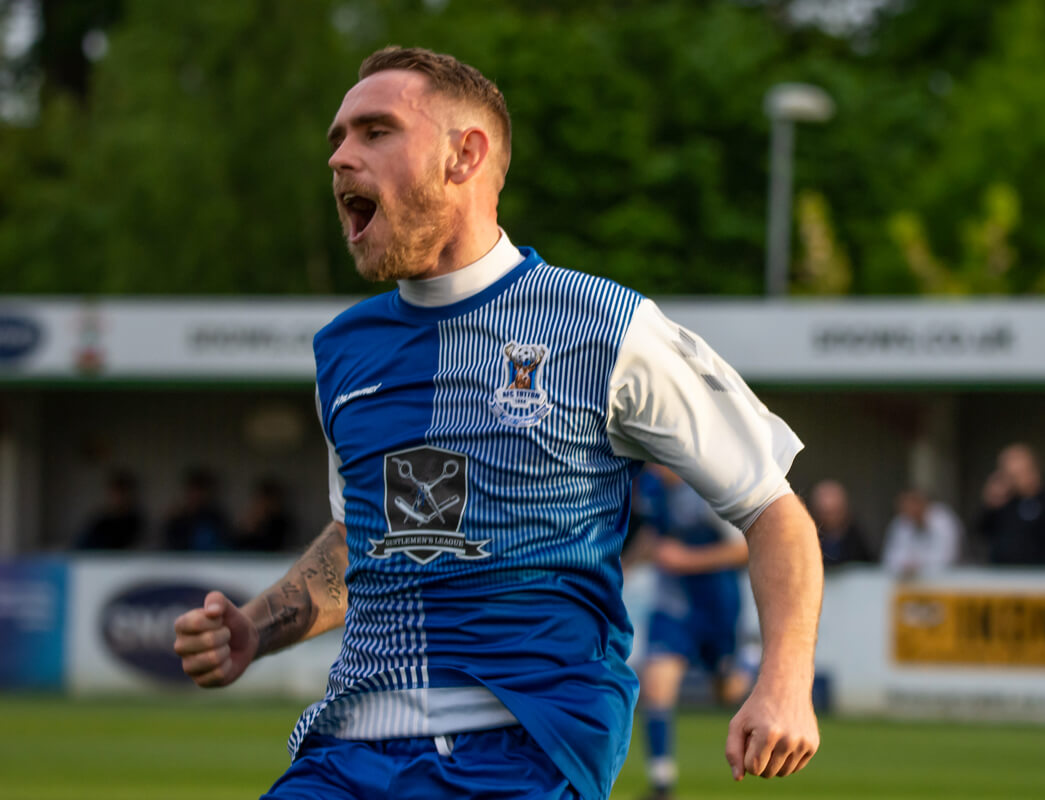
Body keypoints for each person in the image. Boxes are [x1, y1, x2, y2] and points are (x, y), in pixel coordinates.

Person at [172, 47, 822, 800]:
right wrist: (257, 628)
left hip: (521, 757)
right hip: (343, 758)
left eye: (375, 132)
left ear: (465, 155)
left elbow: (774, 510)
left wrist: (784, 680)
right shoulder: (343, 352)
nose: (342, 158)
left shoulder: (609, 328)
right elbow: (366, 537)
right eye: (338, 140)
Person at [633, 464, 752, 800]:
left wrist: (687, 559)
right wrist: (622, 568)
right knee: (655, 684)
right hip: (672, 606)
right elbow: (653, 539)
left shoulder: (708, 491)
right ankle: (661, 784)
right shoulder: (651, 489)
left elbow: (742, 549)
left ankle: (747, 660)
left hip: (718, 609)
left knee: (727, 692)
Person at [978, 443, 1045, 565]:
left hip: (1036, 573)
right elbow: (981, 532)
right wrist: (989, 505)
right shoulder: (1001, 500)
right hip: (1000, 572)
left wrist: (1033, 492)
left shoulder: (1044, 500)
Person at [880, 488, 962, 577]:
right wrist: (906, 566)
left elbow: (947, 557)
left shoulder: (943, 520)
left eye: (911, 504)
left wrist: (917, 566)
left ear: (922, 503)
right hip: (908, 581)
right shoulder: (900, 523)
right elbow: (890, 558)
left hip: (945, 581)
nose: (906, 509)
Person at [163, 467, 233, 551]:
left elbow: (225, 543)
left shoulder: (216, 517)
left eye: (200, 491)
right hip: (183, 561)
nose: (196, 495)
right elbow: (171, 544)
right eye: (193, 491)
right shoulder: (178, 518)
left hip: (212, 561)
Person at [809, 479, 873, 568]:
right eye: (825, 513)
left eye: (835, 512)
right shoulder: (809, 537)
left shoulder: (855, 537)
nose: (830, 519)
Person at [76, 469, 144, 550]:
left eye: (122, 493)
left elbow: (137, 546)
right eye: (115, 493)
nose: (118, 498)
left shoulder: (136, 521)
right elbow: (81, 544)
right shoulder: (101, 521)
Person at [233, 478, 294, 552]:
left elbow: (275, 545)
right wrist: (248, 527)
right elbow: (237, 545)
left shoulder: (281, 522)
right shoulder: (251, 518)